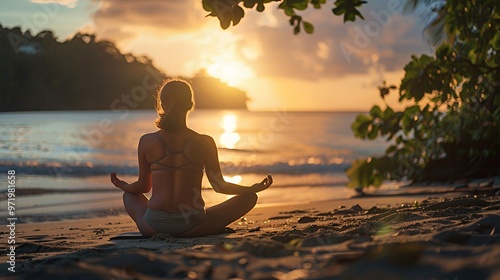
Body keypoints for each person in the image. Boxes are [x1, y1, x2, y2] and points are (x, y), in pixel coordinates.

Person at [110, 79, 272, 238]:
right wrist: (251, 189)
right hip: (193, 225)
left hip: (153, 226)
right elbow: (219, 186)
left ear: (161, 104)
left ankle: (158, 226)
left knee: (128, 195)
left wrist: (123, 185)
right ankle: (205, 228)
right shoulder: (204, 142)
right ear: (190, 104)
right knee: (250, 198)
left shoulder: (147, 141)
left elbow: (144, 187)